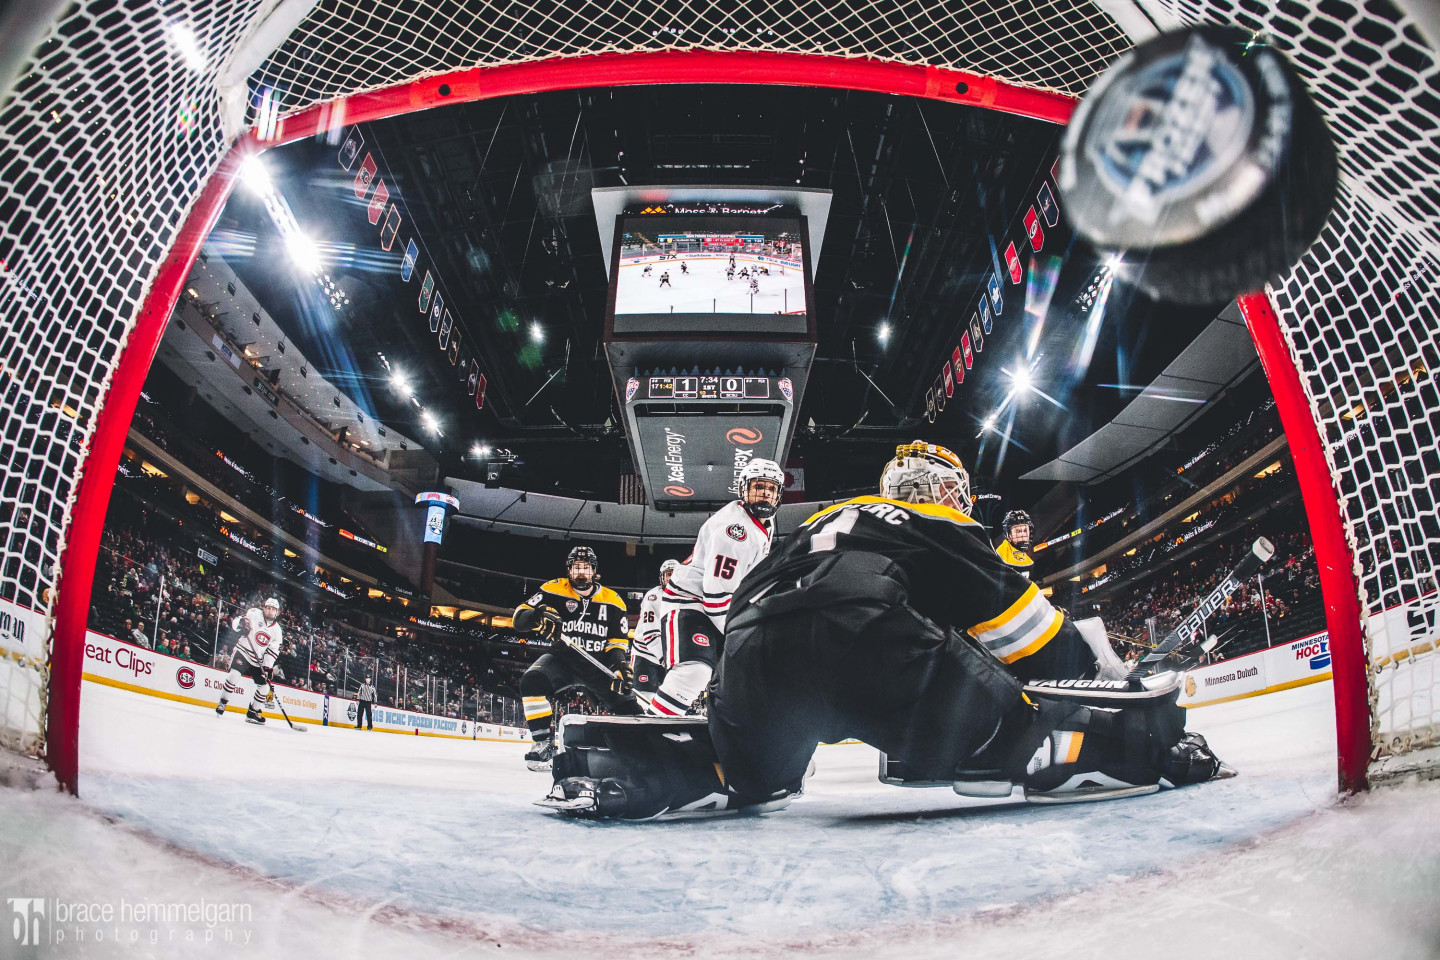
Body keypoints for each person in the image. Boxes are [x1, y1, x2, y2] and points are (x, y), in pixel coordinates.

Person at [540, 442, 1225, 819]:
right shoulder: (931, 522)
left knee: (756, 775)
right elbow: (1030, 635)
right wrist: (1104, 672)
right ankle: (1141, 748)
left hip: (751, 649)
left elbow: (747, 606)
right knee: (1013, 726)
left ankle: (642, 768)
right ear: (940, 493)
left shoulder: (809, 525)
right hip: (865, 639)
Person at [649, 458, 784, 717]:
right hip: (690, 604)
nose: (765, 494)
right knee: (694, 671)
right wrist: (742, 636)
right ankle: (650, 734)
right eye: (759, 487)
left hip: (719, 604)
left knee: (735, 679)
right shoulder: (736, 531)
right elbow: (715, 597)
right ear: (744, 490)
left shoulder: (764, 522)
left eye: (771, 489)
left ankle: (723, 731)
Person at [513, 546, 637, 769]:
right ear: (569, 570)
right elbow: (518, 618)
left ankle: (640, 748)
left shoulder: (614, 600)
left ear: (595, 572)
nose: (581, 572)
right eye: (577, 567)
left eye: (586, 568)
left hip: (599, 663)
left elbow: (617, 642)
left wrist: (620, 666)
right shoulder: (553, 589)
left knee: (630, 708)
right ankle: (543, 743)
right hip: (563, 658)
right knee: (531, 681)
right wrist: (536, 616)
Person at [215, 597, 284, 725]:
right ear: (264, 608)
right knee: (233, 675)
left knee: (264, 688)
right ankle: (222, 703)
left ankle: (252, 713)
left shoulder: (277, 631)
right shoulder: (254, 613)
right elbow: (236, 622)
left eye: (273, 609)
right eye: (268, 608)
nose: (270, 611)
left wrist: (267, 667)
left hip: (258, 661)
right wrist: (241, 624)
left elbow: (273, 652)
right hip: (243, 651)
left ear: (277, 612)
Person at [632, 559, 679, 711]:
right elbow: (651, 636)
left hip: (667, 656)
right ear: (662, 578)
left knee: (669, 700)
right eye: (668, 575)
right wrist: (667, 661)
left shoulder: (685, 597)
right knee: (644, 701)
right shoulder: (653, 597)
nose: (671, 578)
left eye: (675, 574)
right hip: (645, 654)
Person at [996, 508, 1035, 577]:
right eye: (1018, 531)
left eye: (1025, 530)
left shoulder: (1029, 561)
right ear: (1009, 535)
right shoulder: (1000, 556)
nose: (1022, 535)